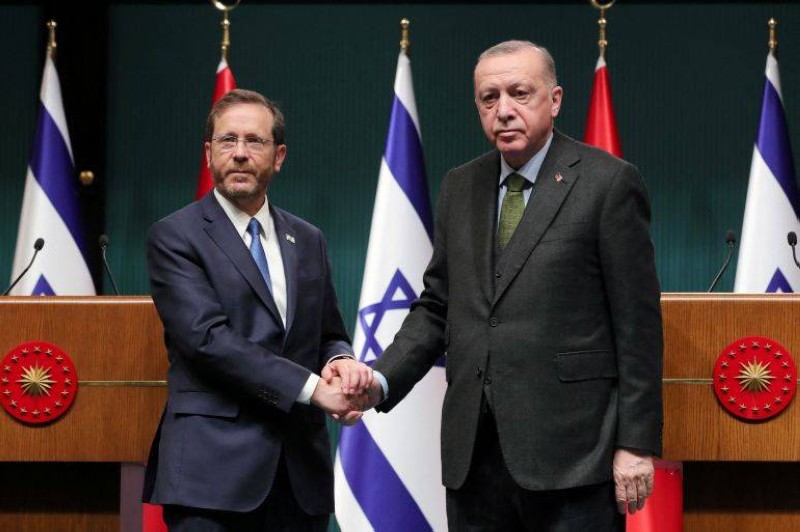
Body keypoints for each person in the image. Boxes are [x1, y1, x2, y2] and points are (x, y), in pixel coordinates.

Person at [331, 40, 663, 531]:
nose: (503, 110)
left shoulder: (607, 182)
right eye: (489, 98)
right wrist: (380, 379)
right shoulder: (460, 186)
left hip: (574, 457)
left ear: (554, 100)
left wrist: (635, 444)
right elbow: (438, 307)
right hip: (475, 458)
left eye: (519, 93)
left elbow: (637, 327)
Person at [142, 88, 372, 531]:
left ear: (278, 156)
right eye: (227, 140)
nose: (240, 153)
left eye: (255, 141)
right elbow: (208, 341)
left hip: (299, 478)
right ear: (208, 153)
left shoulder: (308, 238)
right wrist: (313, 388)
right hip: (212, 479)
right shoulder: (175, 236)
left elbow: (327, 332)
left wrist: (340, 362)